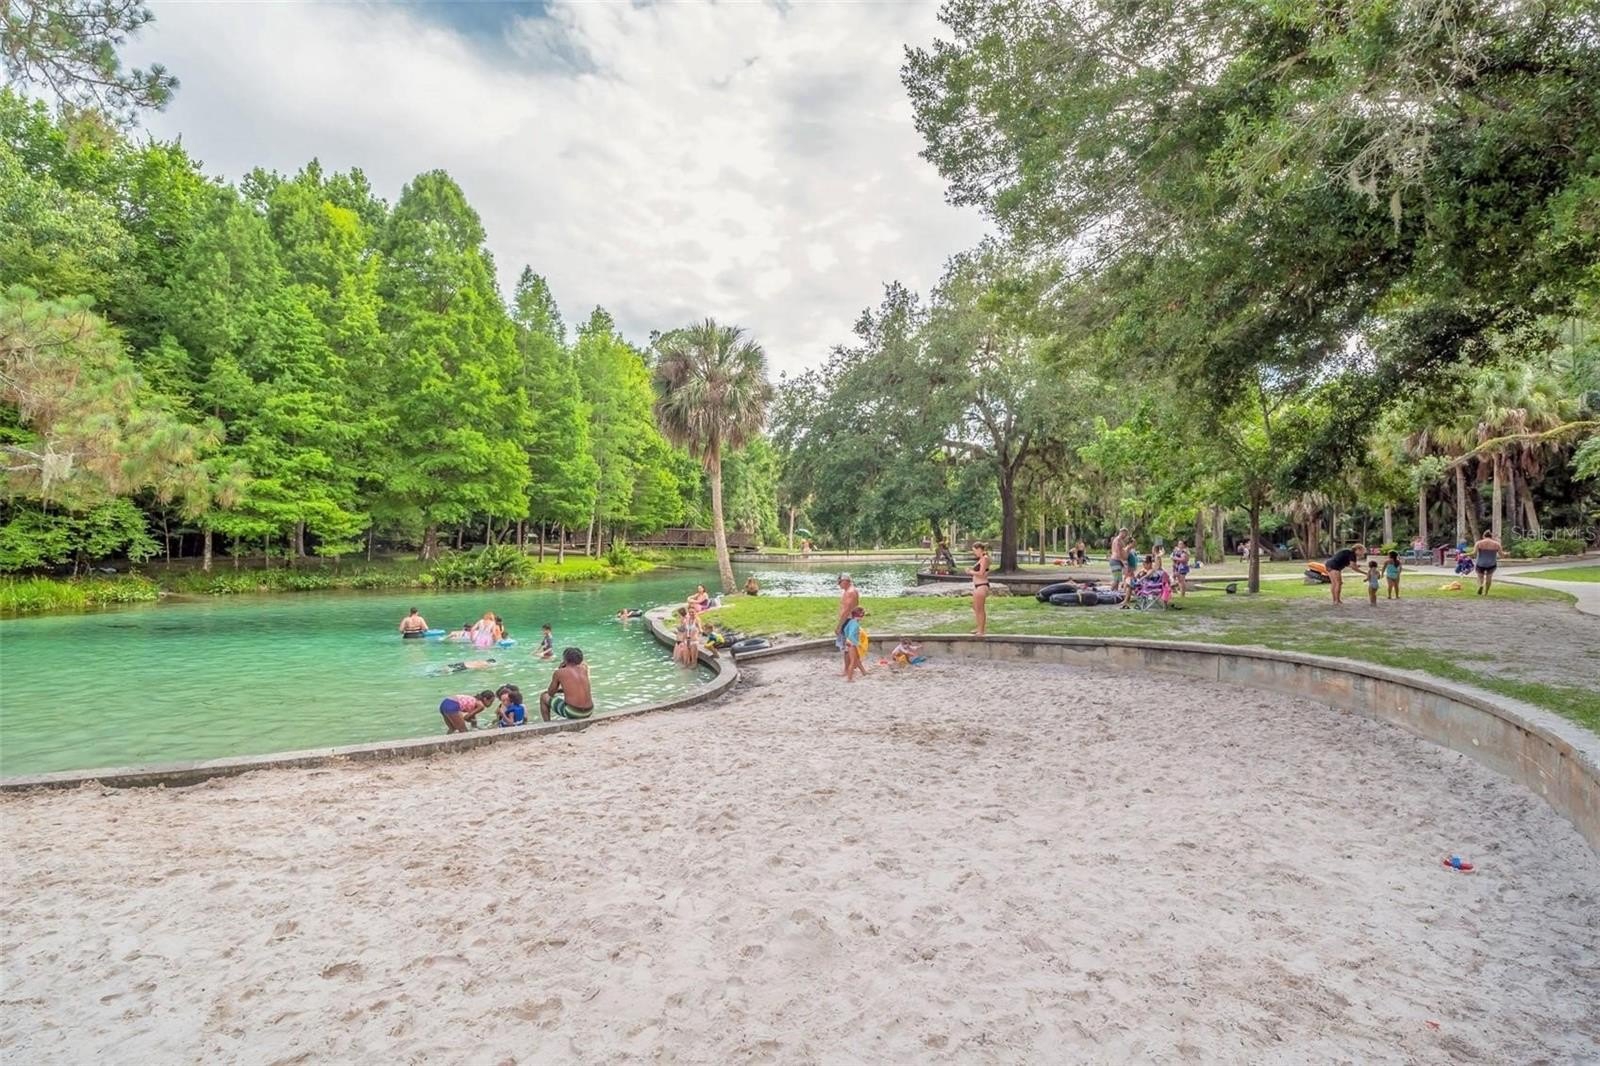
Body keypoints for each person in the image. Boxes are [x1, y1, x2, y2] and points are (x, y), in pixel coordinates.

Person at [541, 647, 594, 721]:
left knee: (544, 696)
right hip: (589, 711)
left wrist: (559, 669)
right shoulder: (584, 669)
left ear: (565, 660)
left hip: (573, 712)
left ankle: (547, 724)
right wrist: (561, 690)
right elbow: (577, 689)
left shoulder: (559, 672)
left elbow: (550, 693)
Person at [969, 541, 991, 637]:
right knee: (975, 607)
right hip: (977, 586)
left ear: (979, 549)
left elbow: (981, 573)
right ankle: (979, 627)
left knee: (980, 609)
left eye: (974, 551)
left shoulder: (985, 559)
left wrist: (971, 572)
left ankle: (981, 630)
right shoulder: (981, 559)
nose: (974, 553)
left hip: (982, 585)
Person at [841, 606, 868, 682]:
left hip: (848, 643)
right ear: (860, 615)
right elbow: (851, 636)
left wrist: (846, 639)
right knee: (853, 661)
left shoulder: (850, 621)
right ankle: (849, 678)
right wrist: (857, 643)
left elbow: (845, 630)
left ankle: (864, 672)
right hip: (852, 644)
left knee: (856, 659)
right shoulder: (856, 624)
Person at [835, 573, 860, 651]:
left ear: (845, 581)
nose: (838, 584)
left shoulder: (850, 592)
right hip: (851, 620)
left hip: (848, 621)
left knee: (849, 646)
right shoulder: (852, 590)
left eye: (840, 582)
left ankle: (852, 660)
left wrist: (839, 626)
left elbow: (846, 611)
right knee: (848, 647)